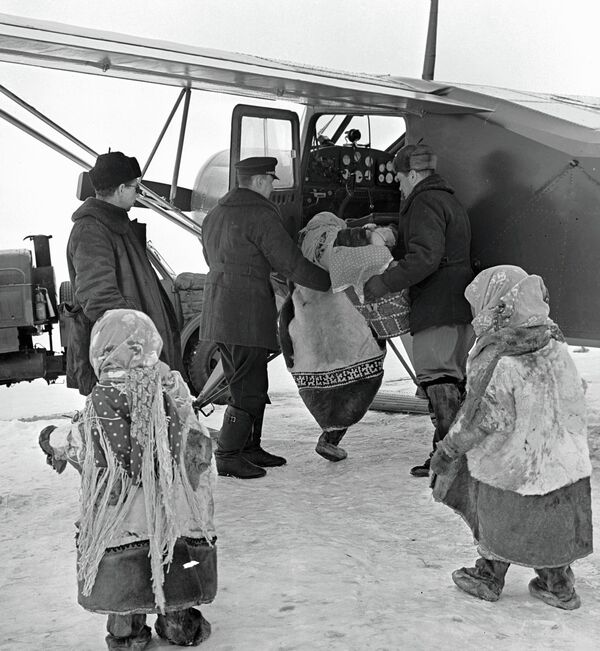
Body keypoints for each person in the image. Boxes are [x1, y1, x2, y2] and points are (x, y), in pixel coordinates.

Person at [39, 309, 217, 649]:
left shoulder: (99, 405)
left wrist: (49, 439)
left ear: (101, 352)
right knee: (174, 572)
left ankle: (127, 636)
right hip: (171, 521)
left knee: (125, 588)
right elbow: (197, 442)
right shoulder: (171, 394)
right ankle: (181, 626)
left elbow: (75, 442)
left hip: (119, 527)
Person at [430, 266, 592, 610]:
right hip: (562, 463)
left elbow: (480, 417)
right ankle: (559, 586)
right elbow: (576, 394)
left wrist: (447, 450)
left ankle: (487, 577)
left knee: (500, 521)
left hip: (514, 468)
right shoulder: (555, 345)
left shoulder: (500, 359)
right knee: (550, 526)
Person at [200, 156, 331, 479]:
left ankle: (249, 447)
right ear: (259, 181)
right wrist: (328, 281)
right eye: (271, 180)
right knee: (249, 384)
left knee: (245, 377)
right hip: (245, 309)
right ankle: (229, 454)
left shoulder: (216, 213)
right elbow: (290, 263)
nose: (273, 186)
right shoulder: (259, 214)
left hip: (219, 306)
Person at [363, 143, 474, 477]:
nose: (399, 186)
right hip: (456, 302)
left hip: (438, 302)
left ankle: (448, 461)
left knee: (437, 378)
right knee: (453, 379)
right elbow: (431, 246)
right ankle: (452, 453)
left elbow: (425, 257)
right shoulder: (446, 198)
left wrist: (383, 283)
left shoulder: (424, 201)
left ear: (413, 174)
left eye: (400, 179)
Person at [65, 151, 183, 396]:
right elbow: (99, 299)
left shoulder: (117, 225)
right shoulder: (91, 231)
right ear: (120, 189)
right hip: (123, 368)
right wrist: (140, 349)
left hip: (136, 364)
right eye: (134, 188)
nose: (137, 194)